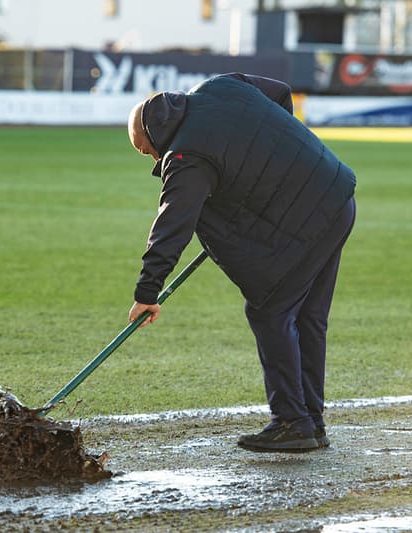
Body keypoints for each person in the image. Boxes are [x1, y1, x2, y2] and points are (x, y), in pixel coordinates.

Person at [126, 73, 356, 453]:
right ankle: (310, 420)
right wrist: (277, 157)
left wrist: (147, 292)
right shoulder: (220, 86)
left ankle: (293, 422)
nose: (153, 158)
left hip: (308, 216)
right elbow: (281, 92)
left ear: (154, 133)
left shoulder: (185, 156)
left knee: (270, 311)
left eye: (146, 150)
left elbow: (173, 225)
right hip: (337, 198)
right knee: (308, 317)